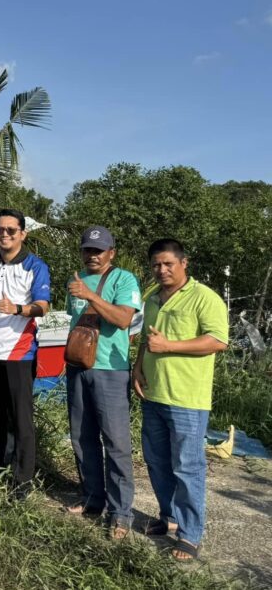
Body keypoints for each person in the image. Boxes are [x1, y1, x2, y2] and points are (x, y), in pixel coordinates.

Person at [133, 238, 228, 561]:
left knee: (187, 467)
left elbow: (217, 341)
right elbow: (148, 340)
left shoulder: (205, 298)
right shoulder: (152, 298)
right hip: (153, 393)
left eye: (168, 264)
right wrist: (137, 368)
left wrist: (170, 346)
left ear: (184, 263)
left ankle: (190, 534)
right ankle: (169, 517)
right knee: (157, 461)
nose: (161, 270)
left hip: (187, 398)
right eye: (156, 265)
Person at [63, 226, 141, 539]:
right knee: (82, 437)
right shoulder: (76, 280)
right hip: (78, 366)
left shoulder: (123, 279)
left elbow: (123, 319)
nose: (92, 255)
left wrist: (91, 295)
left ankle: (121, 513)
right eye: (87, 250)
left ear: (111, 252)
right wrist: (81, 293)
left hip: (111, 369)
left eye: (98, 250)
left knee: (117, 444)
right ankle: (93, 498)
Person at [0, 208, 51, 494]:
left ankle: (22, 480)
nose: (4, 234)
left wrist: (18, 309)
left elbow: (43, 307)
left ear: (23, 234)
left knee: (21, 420)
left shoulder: (35, 266)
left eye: (10, 230)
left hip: (18, 353)